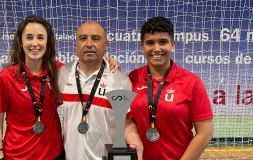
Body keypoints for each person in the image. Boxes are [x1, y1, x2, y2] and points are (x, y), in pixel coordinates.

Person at [125, 16, 214, 160]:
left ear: (173, 44)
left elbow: (205, 133)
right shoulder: (132, 78)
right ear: (142, 47)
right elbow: (127, 118)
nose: (156, 48)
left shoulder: (192, 82)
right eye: (150, 43)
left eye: (163, 42)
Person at [0, 16, 64, 160]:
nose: (35, 43)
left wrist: (107, 62)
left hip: (54, 154)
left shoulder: (58, 71)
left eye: (40, 37)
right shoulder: (6, 77)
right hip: (16, 156)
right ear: (21, 43)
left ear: (47, 43)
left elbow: (86, 69)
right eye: (29, 37)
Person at [58, 21, 132, 160]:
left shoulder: (121, 81)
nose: (89, 44)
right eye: (83, 38)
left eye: (96, 38)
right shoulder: (61, 75)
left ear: (106, 45)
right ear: (76, 44)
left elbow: (126, 125)